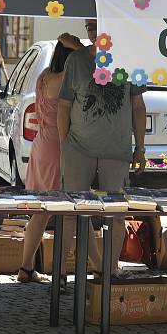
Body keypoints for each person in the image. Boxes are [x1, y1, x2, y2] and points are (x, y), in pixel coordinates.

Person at [57, 19, 147, 278]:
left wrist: (140, 147)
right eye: (89, 27)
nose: (94, 32)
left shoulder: (130, 58)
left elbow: (138, 105)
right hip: (78, 148)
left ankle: (107, 271)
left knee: (116, 214)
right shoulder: (77, 60)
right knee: (70, 211)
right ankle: (60, 272)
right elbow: (63, 105)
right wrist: (65, 144)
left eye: (98, 25)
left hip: (116, 151)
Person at [17, 39, 76, 283]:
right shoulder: (65, 79)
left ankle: (26, 267)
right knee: (64, 210)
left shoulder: (44, 75)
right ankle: (60, 269)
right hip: (58, 145)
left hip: (41, 143)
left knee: (40, 212)